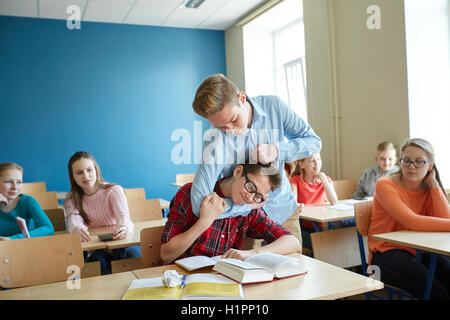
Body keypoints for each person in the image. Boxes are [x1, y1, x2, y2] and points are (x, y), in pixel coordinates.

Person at [190, 74, 322, 245]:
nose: (230, 131)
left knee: (295, 270)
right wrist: (246, 207)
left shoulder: (274, 107)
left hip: (284, 214)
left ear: (242, 98)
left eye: (233, 120)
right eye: (221, 126)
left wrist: (276, 150)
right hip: (244, 225)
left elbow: (314, 142)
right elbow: (198, 203)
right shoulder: (215, 139)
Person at [160, 163, 301, 264]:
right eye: (251, 187)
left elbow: (292, 242)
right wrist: (204, 222)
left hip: (221, 281)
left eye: (258, 196)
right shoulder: (190, 194)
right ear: (238, 172)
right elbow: (166, 255)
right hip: (182, 280)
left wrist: (252, 253)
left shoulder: (248, 209)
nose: (251, 198)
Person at [368, 138, 450, 299]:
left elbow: (445, 219)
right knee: (437, 294)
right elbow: (412, 222)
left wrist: (434, 184)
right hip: (384, 255)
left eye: (419, 161)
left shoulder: (427, 187)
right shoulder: (385, 184)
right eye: (407, 161)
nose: (411, 166)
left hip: (418, 250)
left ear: (430, 165)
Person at [64, 151, 139, 275]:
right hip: (98, 248)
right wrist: (76, 229)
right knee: (97, 263)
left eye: (89, 170)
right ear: (72, 176)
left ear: (96, 170)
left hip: (121, 243)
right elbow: (73, 221)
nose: (86, 176)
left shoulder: (113, 190)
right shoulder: (71, 199)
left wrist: (124, 227)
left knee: (132, 256)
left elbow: (123, 216)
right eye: (79, 172)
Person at [289, 153, 338, 251]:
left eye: (319, 159)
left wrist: (323, 178)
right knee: (326, 244)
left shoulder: (326, 179)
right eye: (312, 161)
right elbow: (293, 204)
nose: (317, 164)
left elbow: (333, 201)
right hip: (305, 227)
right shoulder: (295, 181)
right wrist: (298, 206)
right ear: (302, 164)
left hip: (324, 225)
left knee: (338, 237)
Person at [0, 162, 54, 240]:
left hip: (25, 247)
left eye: (19, 182)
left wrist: (12, 239)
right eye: (8, 182)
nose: (15, 187)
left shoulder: (28, 202)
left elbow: (48, 229)